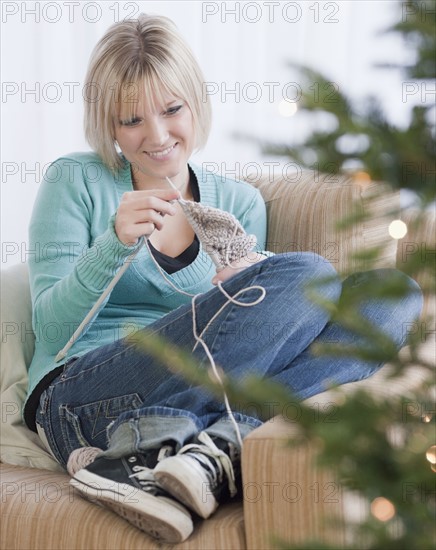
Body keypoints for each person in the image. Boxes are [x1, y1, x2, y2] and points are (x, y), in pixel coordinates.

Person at [25, 14, 423, 544]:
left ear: (196, 104)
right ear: (108, 126)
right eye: (131, 121)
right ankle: (144, 450)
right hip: (79, 398)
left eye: (172, 110)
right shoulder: (76, 180)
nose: (158, 136)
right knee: (311, 273)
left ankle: (219, 450)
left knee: (389, 294)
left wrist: (246, 294)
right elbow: (51, 332)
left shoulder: (237, 203)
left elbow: (250, 347)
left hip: (201, 395)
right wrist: (112, 246)